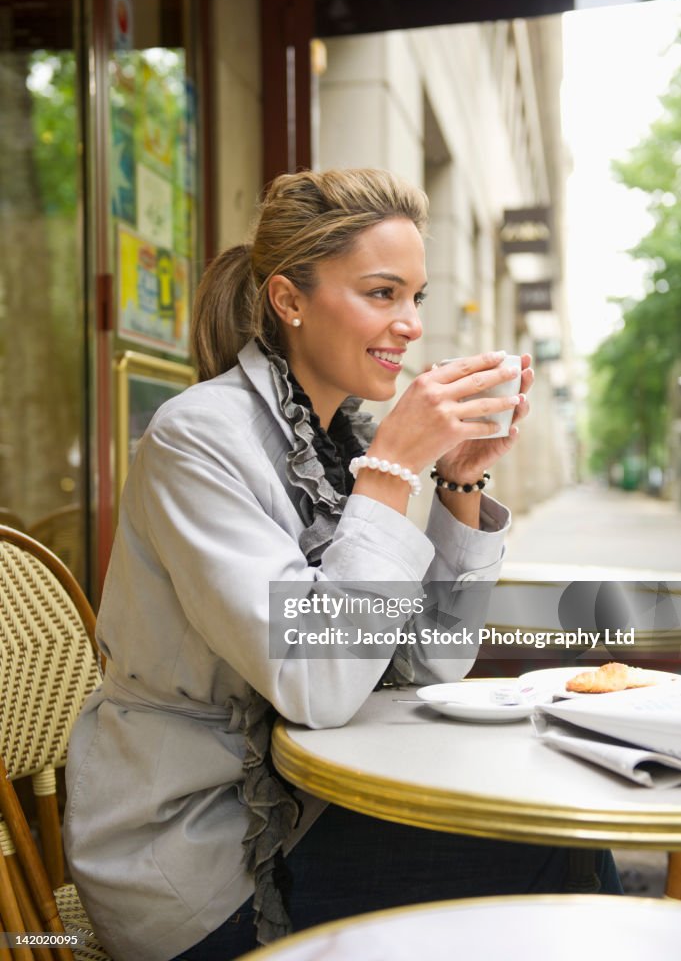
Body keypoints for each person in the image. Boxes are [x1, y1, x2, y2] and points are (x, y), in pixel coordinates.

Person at [64, 168, 619, 961]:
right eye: (382, 293)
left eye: (416, 298)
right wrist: (393, 472)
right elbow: (319, 679)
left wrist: (457, 480)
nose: (410, 326)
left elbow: (427, 660)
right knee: (554, 854)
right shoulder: (196, 439)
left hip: (313, 807)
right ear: (290, 301)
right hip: (201, 855)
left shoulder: (338, 445)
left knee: (557, 835)